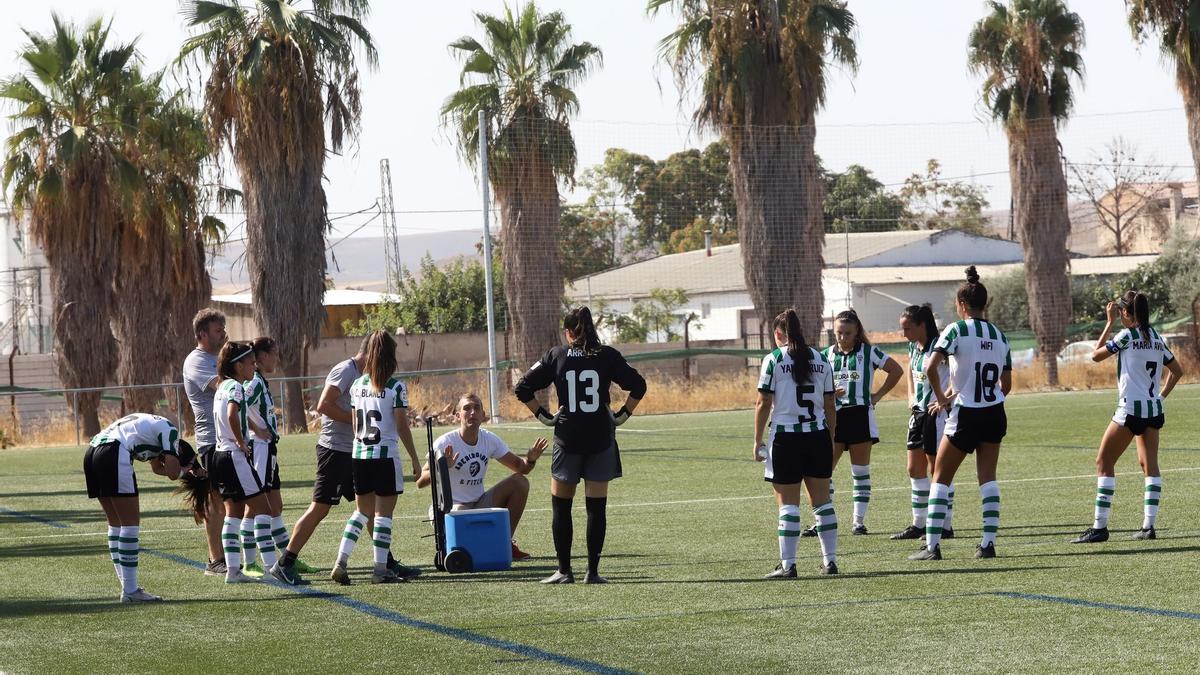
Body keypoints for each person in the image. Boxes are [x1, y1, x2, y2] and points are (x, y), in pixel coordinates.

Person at [514, 306, 647, 584]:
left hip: (568, 439)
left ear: (567, 332)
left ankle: (563, 571)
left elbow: (522, 387)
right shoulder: (608, 355)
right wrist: (621, 416)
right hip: (600, 439)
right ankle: (593, 572)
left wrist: (545, 418)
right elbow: (639, 385)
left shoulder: (556, 355)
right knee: (595, 509)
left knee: (561, 508)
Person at [271, 337, 419, 585]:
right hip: (336, 450)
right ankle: (285, 561)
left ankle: (385, 562)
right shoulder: (345, 370)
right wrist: (368, 426)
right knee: (321, 507)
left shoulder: (364, 381)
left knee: (368, 509)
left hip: (357, 451)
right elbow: (323, 405)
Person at [910, 266, 1012, 561]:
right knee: (988, 478)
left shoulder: (955, 329)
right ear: (986, 304)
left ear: (962, 305)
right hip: (994, 412)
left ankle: (932, 546)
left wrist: (943, 399)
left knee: (940, 477)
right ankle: (988, 544)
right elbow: (1006, 385)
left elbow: (930, 367)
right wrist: (980, 395)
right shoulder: (999, 335)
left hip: (965, 415)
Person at [1071, 292, 1183, 544]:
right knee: (1150, 467)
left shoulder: (1127, 336)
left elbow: (1096, 355)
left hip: (1130, 410)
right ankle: (1148, 526)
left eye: (1120, 312)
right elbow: (1177, 371)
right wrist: (1160, 397)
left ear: (1125, 313)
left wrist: (1108, 323)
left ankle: (1099, 528)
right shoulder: (1157, 338)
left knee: (1103, 461)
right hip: (1154, 411)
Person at [329, 330, 422, 585]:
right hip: (385, 456)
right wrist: (414, 457)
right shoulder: (395, 387)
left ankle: (341, 561)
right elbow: (402, 426)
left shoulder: (357, 385)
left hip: (359, 455)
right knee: (382, 516)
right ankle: (380, 570)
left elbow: (355, 418)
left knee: (361, 512)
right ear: (391, 356)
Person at [754, 309, 839, 578]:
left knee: (788, 505)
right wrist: (831, 436)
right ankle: (831, 562)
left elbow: (763, 402)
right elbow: (829, 403)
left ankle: (788, 565)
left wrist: (757, 440)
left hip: (786, 439)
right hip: (817, 436)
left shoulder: (774, 359)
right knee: (823, 503)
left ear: (778, 334)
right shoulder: (821, 358)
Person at [416, 393, 549, 560]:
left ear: (483, 415)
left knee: (520, 482)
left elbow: (521, 468)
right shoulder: (444, 443)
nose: (472, 412)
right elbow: (420, 481)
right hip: (452, 509)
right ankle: (459, 541)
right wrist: (442, 467)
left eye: (476, 408)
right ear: (458, 416)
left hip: (479, 503)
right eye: (467, 408)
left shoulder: (489, 439)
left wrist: (530, 459)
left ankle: (504, 542)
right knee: (469, 549)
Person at [84, 413, 195, 602]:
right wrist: (189, 470)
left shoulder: (154, 430)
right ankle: (131, 591)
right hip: (114, 451)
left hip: (92, 450)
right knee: (130, 525)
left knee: (116, 524)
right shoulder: (171, 432)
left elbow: (156, 468)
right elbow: (172, 472)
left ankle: (127, 588)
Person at [815, 309, 902, 535]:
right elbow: (815, 388)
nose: (842, 337)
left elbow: (896, 370)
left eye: (847, 333)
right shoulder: (825, 356)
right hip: (833, 418)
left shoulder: (869, 352)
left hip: (859, 416)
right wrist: (831, 394)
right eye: (838, 332)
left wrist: (878, 395)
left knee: (860, 472)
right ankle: (822, 520)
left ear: (856, 333)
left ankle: (858, 522)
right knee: (824, 471)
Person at [208, 341, 276, 583]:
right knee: (263, 508)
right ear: (238, 365)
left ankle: (234, 572)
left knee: (234, 512)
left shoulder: (222, 386)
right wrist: (241, 441)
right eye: (250, 362)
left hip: (218, 456)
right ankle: (272, 568)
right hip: (233, 455)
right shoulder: (236, 386)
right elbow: (231, 414)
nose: (254, 365)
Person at [891, 304, 956, 541]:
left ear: (922, 325)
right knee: (914, 468)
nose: (904, 332)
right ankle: (918, 523)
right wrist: (909, 395)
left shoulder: (941, 346)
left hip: (936, 415)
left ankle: (945, 526)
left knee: (937, 469)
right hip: (917, 413)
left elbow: (959, 374)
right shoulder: (913, 346)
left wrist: (944, 398)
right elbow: (910, 368)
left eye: (907, 328)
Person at [240, 337, 295, 574]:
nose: (277, 359)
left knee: (275, 504)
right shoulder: (254, 382)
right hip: (260, 447)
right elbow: (238, 404)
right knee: (257, 506)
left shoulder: (261, 380)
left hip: (268, 448)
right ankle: (258, 562)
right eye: (274, 354)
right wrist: (255, 429)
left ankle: (286, 557)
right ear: (262, 357)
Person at [182, 308, 228, 575]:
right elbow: (223, 387)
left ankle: (235, 555)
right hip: (212, 440)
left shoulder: (220, 358)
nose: (223, 334)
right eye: (218, 331)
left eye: (223, 329)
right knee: (217, 499)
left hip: (232, 437)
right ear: (202, 334)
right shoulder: (196, 361)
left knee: (238, 499)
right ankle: (215, 560)